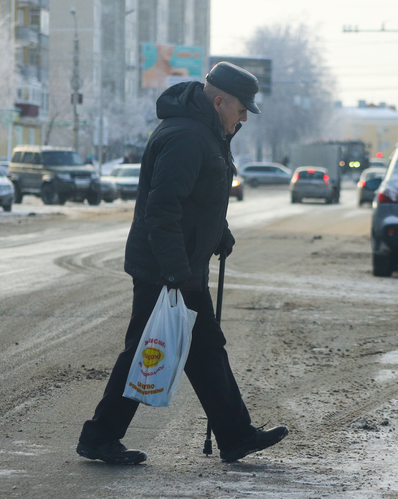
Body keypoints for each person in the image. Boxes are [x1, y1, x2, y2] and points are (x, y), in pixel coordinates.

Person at [76, 62, 288, 465]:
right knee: (153, 349)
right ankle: (103, 436)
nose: (244, 117)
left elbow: (198, 198)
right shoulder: (188, 136)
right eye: (242, 108)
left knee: (200, 350)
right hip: (167, 268)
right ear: (220, 100)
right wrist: (175, 269)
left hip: (181, 265)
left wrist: (218, 230)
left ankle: (233, 435)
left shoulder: (205, 131)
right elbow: (162, 208)